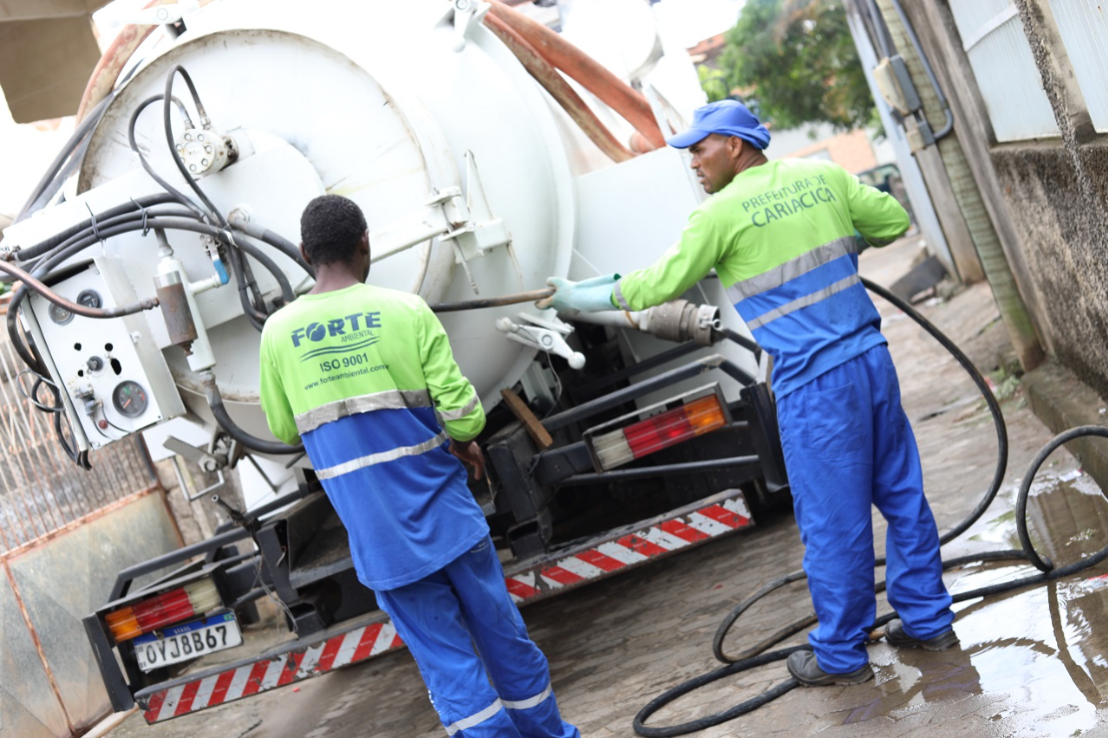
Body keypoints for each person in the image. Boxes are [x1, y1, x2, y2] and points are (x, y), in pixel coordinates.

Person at [540, 100, 957, 686]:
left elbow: (654, 285)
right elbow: (891, 223)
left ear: (735, 145)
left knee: (832, 522)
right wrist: (839, 243)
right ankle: (929, 622)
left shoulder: (720, 214)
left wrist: (579, 297)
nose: (691, 162)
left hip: (816, 386)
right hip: (870, 363)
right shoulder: (823, 176)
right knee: (902, 497)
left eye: (700, 148)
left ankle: (840, 654)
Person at [260, 194, 579, 737]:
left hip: (382, 540)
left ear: (303, 253)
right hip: (450, 519)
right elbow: (464, 420)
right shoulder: (404, 311)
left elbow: (285, 429)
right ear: (365, 243)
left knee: (449, 665)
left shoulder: (278, 334)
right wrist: (459, 439)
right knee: (505, 640)